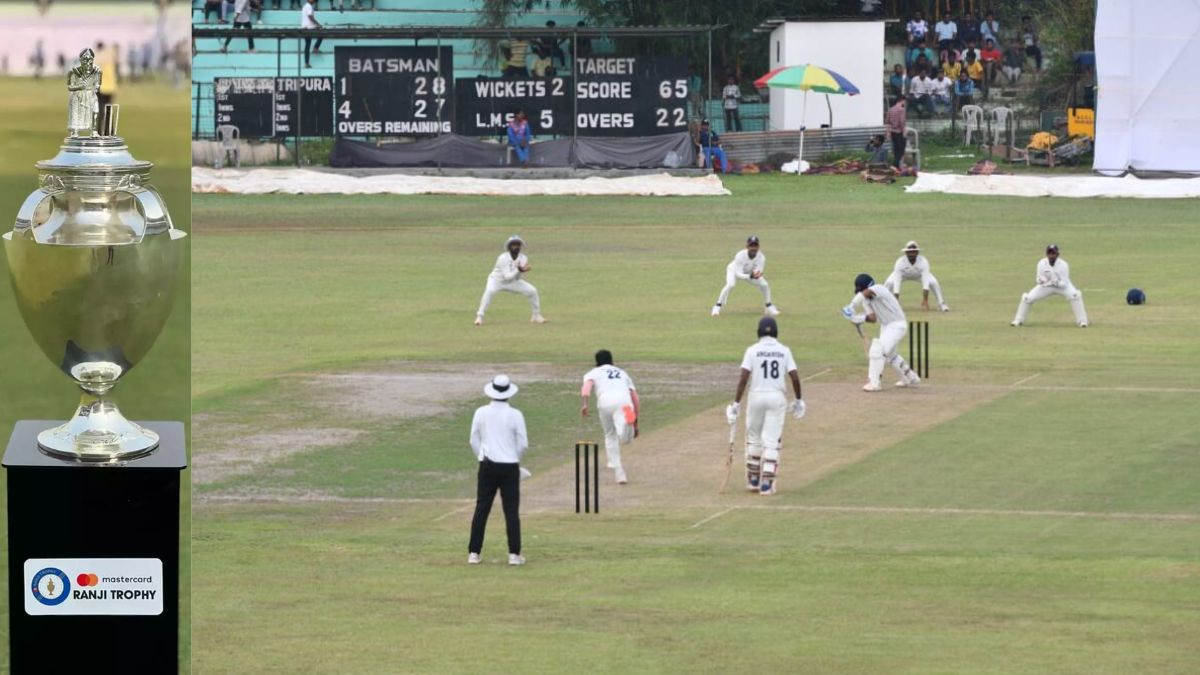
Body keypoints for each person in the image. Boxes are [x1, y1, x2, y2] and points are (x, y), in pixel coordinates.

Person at [725, 317, 805, 495]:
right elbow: (795, 377)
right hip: (777, 397)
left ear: (758, 332)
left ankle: (753, 480)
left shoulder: (752, 350)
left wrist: (736, 403)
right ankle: (767, 484)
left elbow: (744, 378)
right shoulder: (784, 351)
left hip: (756, 396)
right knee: (771, 440)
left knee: (753, 437)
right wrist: (799, 400)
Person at [467, 375, 528, 566]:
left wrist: (482, 457)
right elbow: (523, 443)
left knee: (482, 508)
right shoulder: (515, 414)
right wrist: (513, 457)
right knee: (511, 511)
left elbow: (473, 439)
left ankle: (474, 553)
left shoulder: (481, 412)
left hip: (487, 465)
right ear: (508, 393)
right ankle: (514, 554)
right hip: (509, 466)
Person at [844, 274, 921, 392]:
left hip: (897, 324)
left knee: (877, 350)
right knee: (890, 355)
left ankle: (874, 384)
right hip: (886, 326)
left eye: (862, 290)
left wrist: (852, 305)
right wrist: (858, 318)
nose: (861, 293)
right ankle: (910, 378)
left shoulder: (879, 288)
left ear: (868, 286)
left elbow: (867, 292)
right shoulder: (866, 300)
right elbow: (873, 318)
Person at [580, 350, 639, 485]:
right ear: (612, 360)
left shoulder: (593, 372)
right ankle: (627, 424)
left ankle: (619, 472)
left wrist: (584, 404)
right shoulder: (622, 373)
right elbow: (635, 397)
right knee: (626, 438)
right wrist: (637, 422)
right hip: (625, 401)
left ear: (597, 362)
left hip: (605, 402)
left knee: (610, 435)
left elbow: (586, 389)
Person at [475, 235, 546, 326]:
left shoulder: (523, 258)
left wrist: (521, 272)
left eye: (518, 244)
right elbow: (507, 277)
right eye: (513, 244)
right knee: (490, 291)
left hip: (512, 282)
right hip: (496, 281)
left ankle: (536, 315)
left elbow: (516, 278)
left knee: (532, 290)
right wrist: (519, 270)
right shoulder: (502, 258)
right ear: (509, 247)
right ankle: (479, 317)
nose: (516, 247)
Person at [1011, 244, 1088, 327]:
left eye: (1053, 253)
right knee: (1027, 298)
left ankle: (1082, 321)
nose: (1051, 255)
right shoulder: (1041, 263)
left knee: (1075, 295)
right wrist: (1041, 281)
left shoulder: (1064, 265)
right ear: (1046, 254)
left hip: (1062, 287)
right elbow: (1038, 278)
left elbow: (1064, 283)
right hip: (1046, 287)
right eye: (1049, 253)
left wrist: (1055, 283)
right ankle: (1018, 320)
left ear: (1058, 254)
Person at [712, 235, 779, 317]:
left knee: (765, 285)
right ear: (747, 246)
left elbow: (758, 271)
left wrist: (756, 275)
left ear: (759, 246)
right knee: (731, 285)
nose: (753, 248)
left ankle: (768, 306)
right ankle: (717, 307)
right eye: (751, 245)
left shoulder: (761, 257)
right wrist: (750, 276)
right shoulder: (740, 255)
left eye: (755, 246)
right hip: (734, 270)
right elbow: (738, 274)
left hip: (749, 273)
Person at [885, 241, 949, 311]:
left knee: (933, 282)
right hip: (902, 275)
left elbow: (925, 282)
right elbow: (896, 283)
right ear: (906, 253)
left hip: (919, 275)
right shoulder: (899, 262)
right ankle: (883, 304)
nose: (912, 254)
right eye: (910, 252)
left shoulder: (923, 262)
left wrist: (925, 300)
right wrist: (896, 302)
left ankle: (941, 304)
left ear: (917, 252)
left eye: (914, 252)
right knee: (889, 282)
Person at [66, 48, 101, 136]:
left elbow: (98, 83)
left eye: (90, 59)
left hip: (91, 95)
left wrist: (96, 87)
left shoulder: (97, 71)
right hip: (78, 96)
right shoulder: (73, 72)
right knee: (76, 113)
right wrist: (79, 87)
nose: (88, 62)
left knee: (95, 111)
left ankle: (93, 130)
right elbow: (69, 87)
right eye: (85, 59)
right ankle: (75, 131)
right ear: (81, 60)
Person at [95, 42, 119, 133]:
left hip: (101, 87)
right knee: (108, 109)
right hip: (110, 87)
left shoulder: (97, 58)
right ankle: (109, 131)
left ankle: (99, 130)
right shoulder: (110, 57)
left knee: (101, 110)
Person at [886, 96, 907, 168]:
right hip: (899, 132)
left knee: (896, 149)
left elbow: (888, 122)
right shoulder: (901, 110)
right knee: (901, 149)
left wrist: (888, 133)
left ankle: (897, 166)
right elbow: (902, 121)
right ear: (902, 101)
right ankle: (895, 164)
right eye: (904, 102)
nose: (904, 103)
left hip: (892, 132)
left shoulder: (890, 109)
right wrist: (904, 131)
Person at [300, 0, 322, 68]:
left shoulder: (305, 6)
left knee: (307, 45)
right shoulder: (309, 6)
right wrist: (318, 24)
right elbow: (310, 16)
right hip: (309, 27)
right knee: (322, 33)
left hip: (305, 27)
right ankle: (315, 48)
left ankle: (306, 63)